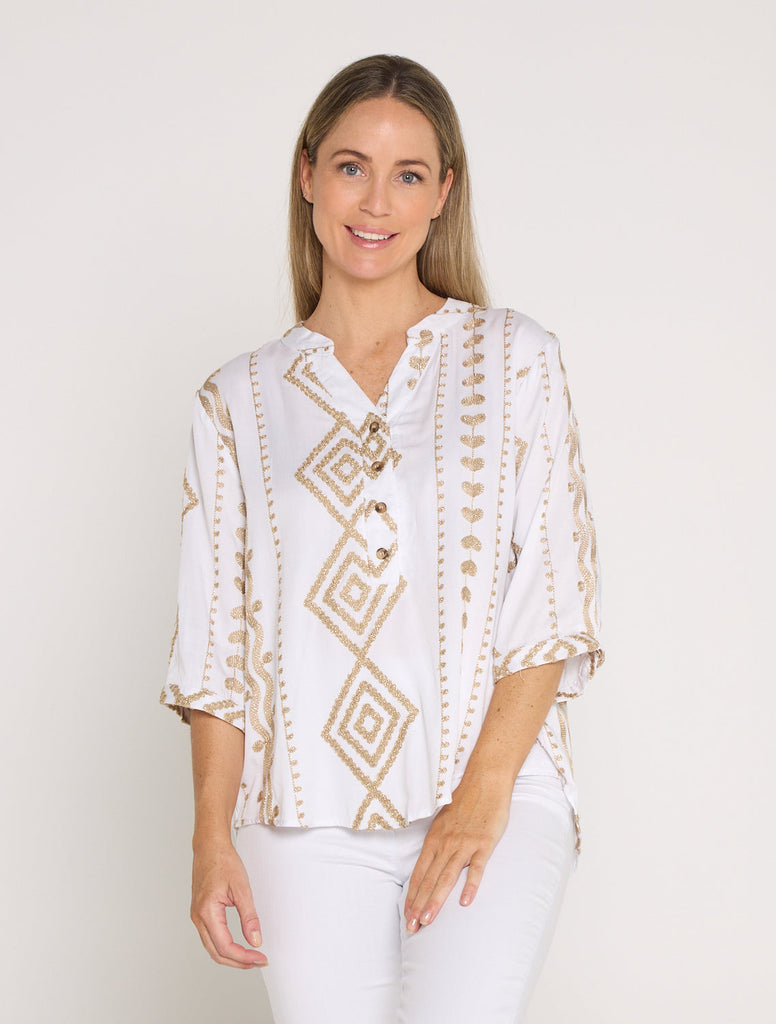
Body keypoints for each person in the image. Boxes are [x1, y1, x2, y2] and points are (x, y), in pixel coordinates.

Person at [160, 53, 603, 1024]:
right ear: (307, 174)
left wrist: (482, 794)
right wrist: (209, 838)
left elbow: (552, 595)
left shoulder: (515, 360)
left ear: (443, 193)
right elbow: (217, 651)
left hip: (496, 785)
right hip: (300, 810)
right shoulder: (235, 400)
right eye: (352, 166)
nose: (376, 201)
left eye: (408, 174)